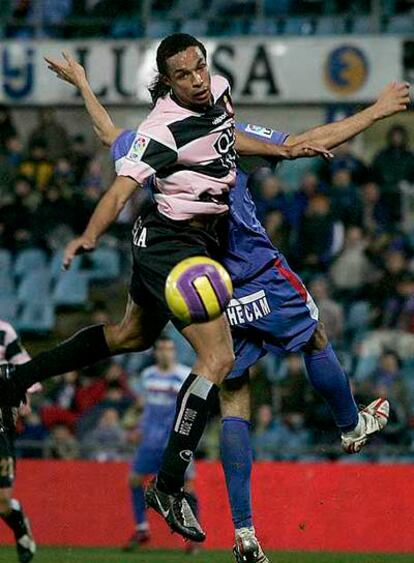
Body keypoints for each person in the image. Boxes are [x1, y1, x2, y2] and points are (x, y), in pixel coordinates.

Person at [41, 53, 409, 563]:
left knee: (235, 394)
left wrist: (82, 80)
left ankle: (245, 532)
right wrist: (376, 111)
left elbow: (109, 136)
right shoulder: (226, 135)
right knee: (316, 335)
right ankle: (350, 425)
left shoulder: (148, 144)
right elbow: (308, 143)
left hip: (209, 288)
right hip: (256, 268)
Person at [0, 34, 329, 548]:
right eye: (184, 74)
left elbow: (218, 137)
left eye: (200, 67)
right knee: (217, 359)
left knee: (130, 335)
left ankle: (16, 378)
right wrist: (89, 234)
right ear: (167, 82)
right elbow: (119, 190)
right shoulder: (161, 132)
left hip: (171, 241)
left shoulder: (216, 92)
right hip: (174, 248)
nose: (197, 79)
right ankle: (169, 486)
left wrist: (282, 149)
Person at [123, 336, 199, 555]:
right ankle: (142, 529)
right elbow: (143, 406)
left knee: (186, 486)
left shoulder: (185, 375)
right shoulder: (147, 376)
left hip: (175, 442)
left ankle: (192, 535)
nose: (166, 353)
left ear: (175, 352)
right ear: (155, 352)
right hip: (149, 440)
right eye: (162, 349)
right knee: (134, 480)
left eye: (169, 349)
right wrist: (136, 428)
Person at [0, 318, 38, 562]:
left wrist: (25, 396)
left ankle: (19, 523)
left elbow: (25, 368)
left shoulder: (4, 331)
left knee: (2, 503)